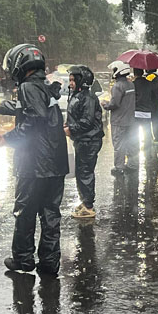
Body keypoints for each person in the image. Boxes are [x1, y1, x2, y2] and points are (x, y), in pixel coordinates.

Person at [0, 43, 69, 275]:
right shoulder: (44, 86)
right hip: (55, 162)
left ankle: (24, 260)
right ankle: (49, 262)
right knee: (50, 213)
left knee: (25, 212)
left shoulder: (27, 86)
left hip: (34, 163)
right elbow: (26, 108)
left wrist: (7, 138)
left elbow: (34, 117)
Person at [64, 65, 104, 219]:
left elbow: (86, 121)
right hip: (83, 139)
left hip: (89, 140)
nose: (71, 83)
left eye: (73, 80)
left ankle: (88, 205)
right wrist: (69, 126)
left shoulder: (88, 98)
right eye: (70, 80)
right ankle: (85, 201)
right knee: (81, 171)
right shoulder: (78, 95)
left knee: (85, 171)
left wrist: (70, 129)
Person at [102, 61, 137, 175]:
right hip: (130, 120)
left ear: (118, 70)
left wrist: (105, 104)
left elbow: (115, 104)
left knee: (119, 145)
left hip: (119, 121)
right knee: (131, 143)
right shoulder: (131, 84)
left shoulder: (117, 86)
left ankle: (119, 167)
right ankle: (132, 165)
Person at [132, 68, 158, 159]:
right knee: (147, 133)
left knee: (134, 133)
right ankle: (148, 155)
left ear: (134, 73)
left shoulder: (133, 84)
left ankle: (135, 153)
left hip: (136, 112)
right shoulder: (149, 83)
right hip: (147, 112)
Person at [145, 69, 158, 143]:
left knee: (148, 122)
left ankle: (151, 138)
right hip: (157, 102)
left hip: (151, 103)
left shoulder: (151, 77)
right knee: (156, 121)